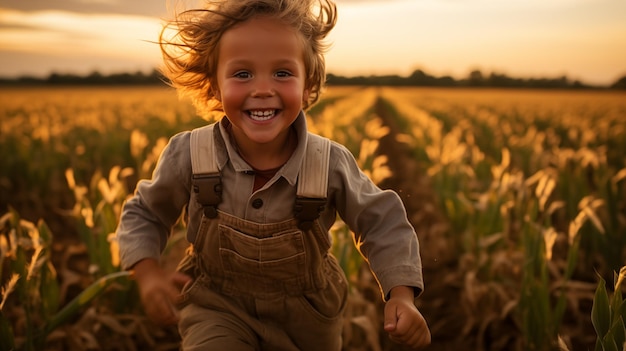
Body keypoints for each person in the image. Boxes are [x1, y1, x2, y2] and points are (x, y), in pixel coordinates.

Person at [116, 0, 431, 350]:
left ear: (308, 85)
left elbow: (381, 221)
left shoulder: (329, 162)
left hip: (309, 320)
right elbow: (144, 212)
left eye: (282, 73)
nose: (262, 88)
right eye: (242, 74)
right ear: (215, 86)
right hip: (217, 307)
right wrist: (147, 274)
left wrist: (400, 294)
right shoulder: (190, 155)